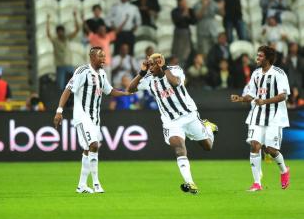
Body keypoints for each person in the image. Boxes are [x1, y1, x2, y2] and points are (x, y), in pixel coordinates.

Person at [128, 53, 218, 194]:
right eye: (149, 64)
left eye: (153, 64)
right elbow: (130, 89)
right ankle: (190, 182)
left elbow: (175, 83)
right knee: (178, 147)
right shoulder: (148, 79)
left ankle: (207, 127)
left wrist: (163, 67)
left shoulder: (175, 70)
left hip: (189, 115)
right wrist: (142, 72)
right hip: (171, 122)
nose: (150, 68)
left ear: (160, 63)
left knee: (208, 146)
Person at [53, 46, 132, 194]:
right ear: (92, 57)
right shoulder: (82, 71)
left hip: (95, 118)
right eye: (101, 56)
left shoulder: (102, 74)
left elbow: (109, 91)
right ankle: (96, 184)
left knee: (88, 150)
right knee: (94, 145)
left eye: (104, 56)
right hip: (82, 116)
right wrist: (59, 111)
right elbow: (68, 89)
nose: (104, 59)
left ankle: (81, 185)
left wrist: (126, 93)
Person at [230, 45, 291, 191]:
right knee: (255, 145)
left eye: (260, 56)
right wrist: (241, 98)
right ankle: (257, 183)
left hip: (274, 116)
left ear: (268, 58)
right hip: (258, 115)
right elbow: (251, 94)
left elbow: (283, 95)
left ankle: (284, 170)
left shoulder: (278, 73)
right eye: (257, 55)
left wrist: (265, 101)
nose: (257, 58)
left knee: (270, 149)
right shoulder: (256, 73)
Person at [47, 12, 79, 92]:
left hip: (69, 65)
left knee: (73, 85)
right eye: (59, 31)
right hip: (60, 66)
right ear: (57, 32)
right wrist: (47, 21)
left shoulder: (67, 38)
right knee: (61, 87)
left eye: (62, 31)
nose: (61, 33)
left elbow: (77, 29)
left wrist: (75, 17)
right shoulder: (55, 41)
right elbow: (48, 34)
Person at [171, 0, 197, 67]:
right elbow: (177, 21)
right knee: (177, 50)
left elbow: (194, 21)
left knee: (186, 51)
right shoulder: (175, 11)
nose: (185, 2)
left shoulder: (190, 10)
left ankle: (184, 66)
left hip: (187, 31)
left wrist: (188, 15)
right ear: (179, 2)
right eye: (184, 1)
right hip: (178, 32)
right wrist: (184, 14)